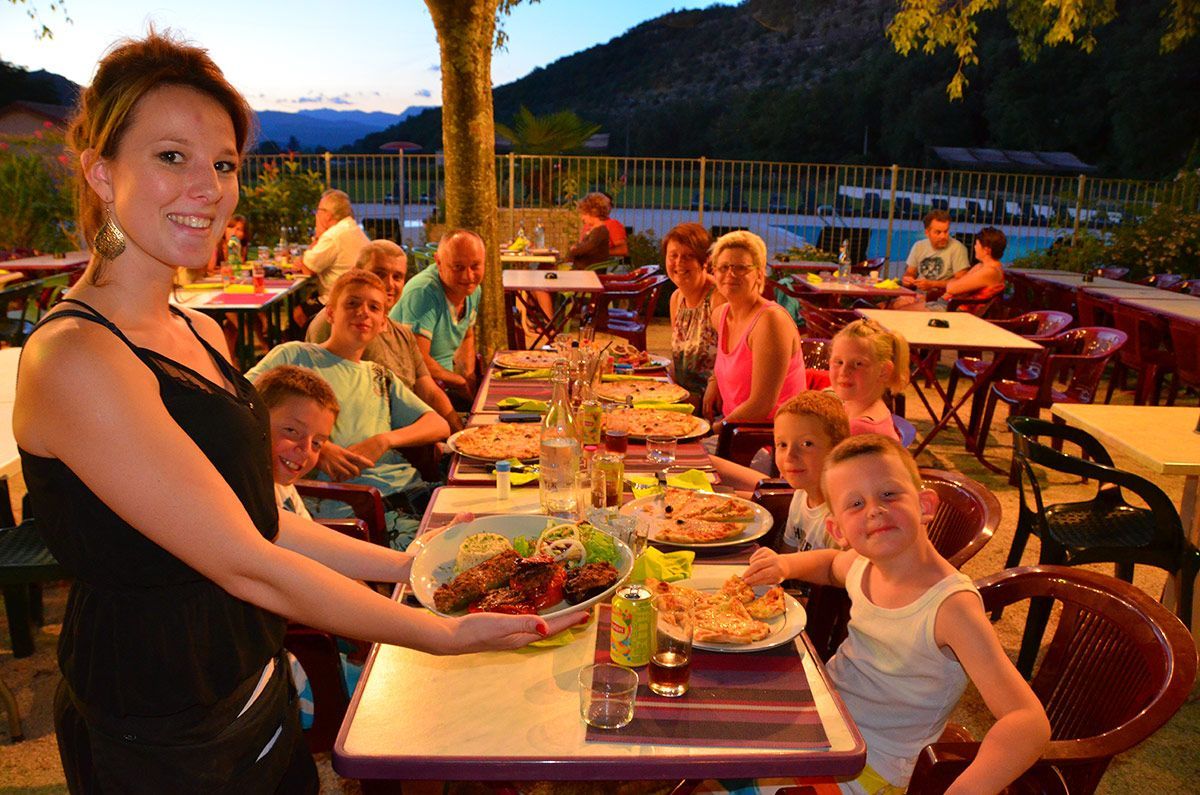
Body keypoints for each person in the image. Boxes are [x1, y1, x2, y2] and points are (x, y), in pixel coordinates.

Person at [13, 34, 583, 793]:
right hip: (158, 724)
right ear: (100, 171)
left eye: (224, 164)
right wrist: (441, 633)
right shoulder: (77, 357)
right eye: (172, 157)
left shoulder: (200, 331)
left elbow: (259, 522)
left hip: (256, 681)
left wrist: (416, 564)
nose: (209, 188)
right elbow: (245, 561)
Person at [743, 435, 1050, 793]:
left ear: (925, 505)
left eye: (888, 494)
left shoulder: (951, 608)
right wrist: (785, 565)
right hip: (823, 717)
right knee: (720, 745)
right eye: (856, 503)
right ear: (838, 530)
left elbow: (1027, 721)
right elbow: (829, 565)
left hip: (870, 766)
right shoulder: (864, 565)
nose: (874, 510)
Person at [248, 270, 449, 551]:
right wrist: (317, 448)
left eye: (374, 307)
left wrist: (385, 440)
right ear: (330, 313)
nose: (363, 312)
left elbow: (438, 424)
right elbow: (241, 404)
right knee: (445, 555)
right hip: (357, 504)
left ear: (383, 323)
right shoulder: (295, 356)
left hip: (412, 491)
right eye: (352, 303)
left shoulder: (379, 375)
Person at [306, 239, 463, 432]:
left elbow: (429, 392)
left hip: (411, 433)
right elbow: (323, 402)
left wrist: (460, 430)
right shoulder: (335, 322)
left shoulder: (403, 333)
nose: (389, 284)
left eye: (397, 277)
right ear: (357, 273)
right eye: (379, 274)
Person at [712, 392, 850, 553]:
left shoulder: (840, 519)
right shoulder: (800, 496)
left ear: (837, 449)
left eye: (806, 444)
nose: (790, 456)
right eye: (782, 444)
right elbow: (786, 553)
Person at [702, 230, 806, 434]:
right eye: (723, 267)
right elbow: (732, 362)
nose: (730, 274)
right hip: (734, 428)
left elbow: (761, 405)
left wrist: (712, 431)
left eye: (741, 268)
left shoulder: (770, 321)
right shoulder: (720, 315)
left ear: (759, 274)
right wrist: (714, 381)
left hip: (772, 437)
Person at [389, 229, 482, 405]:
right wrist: (459, 382)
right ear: (438, 262)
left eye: (475, 266)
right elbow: (418, 360)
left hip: (444, 386)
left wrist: (468, 377)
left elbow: (467, 336)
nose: (468, 276)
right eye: (458, 267)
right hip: (411, 391)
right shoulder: (423, 292)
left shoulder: (473, 289)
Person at [255, 365, 340, 519]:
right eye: (291, 431)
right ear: (254, 418)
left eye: (317, 443)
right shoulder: (240, 490)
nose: (306, 450)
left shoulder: (283, 488)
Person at [665, 223, 725, 401]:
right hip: (682, 397)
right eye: (673, 255)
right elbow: (678, 360)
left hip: (712, 402)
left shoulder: (718, 298)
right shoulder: (676, 298)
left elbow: (733, 360)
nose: (678, 263)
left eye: (688, 256)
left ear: (705, 260)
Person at [829, 318, 910, 440]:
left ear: (883, 371)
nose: (844, 372)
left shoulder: (858, 429)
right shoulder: (862, 410)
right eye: (839, 362)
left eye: (858, 364)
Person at [299, 188, 370, 303]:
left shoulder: (333, 236)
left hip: (337, 301)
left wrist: (318, 235)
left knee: (298, 311)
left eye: (319, 210)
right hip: (358, 296)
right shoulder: (352, 228)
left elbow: (308, 269)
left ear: (327, 215)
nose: (317, 215)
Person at [899, 209, 969, 299]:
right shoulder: (919, 246)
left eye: (946, 231)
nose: (943, 236)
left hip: (941, 298)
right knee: (886, 304)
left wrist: (933, 284)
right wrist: (908, 279)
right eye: (938, 232)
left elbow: (961, 282)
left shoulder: (958, 248)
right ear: (927, 233)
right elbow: (910, 272)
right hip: (918, 295)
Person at [943, 226, 1007, 307]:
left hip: (959, 310)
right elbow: (959, 283)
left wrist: (952, 283)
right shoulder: (981, 266)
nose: (974, 247)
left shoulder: (990, 271)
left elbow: (952, 289)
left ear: (986, 250)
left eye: (977, 244)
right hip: (951, 305)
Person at [566, 192, 612, 269]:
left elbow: (588, 247)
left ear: (593, 212)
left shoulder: (599, 231)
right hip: (585, 267)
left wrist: (572, 251)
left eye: (584, 214)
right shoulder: (596, 229)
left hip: (588, 269)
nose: (582, 218)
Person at [601, 192, 629, 259]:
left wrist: (598, 253)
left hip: (599, 263)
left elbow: (623, 250)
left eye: (608, 205)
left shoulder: (612, 224)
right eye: (602, 204)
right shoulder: (587, 224)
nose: (605, 208)